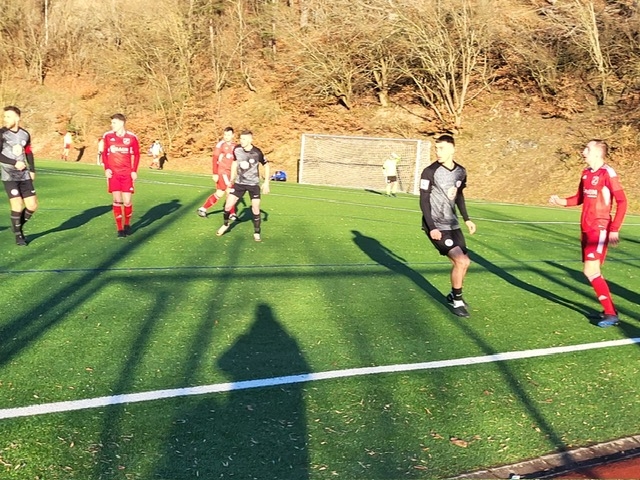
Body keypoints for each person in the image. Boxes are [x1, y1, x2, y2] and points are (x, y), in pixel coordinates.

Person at [549, 139, 627, 328]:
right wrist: (561, 201)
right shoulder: (586, 173)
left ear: (598, 153)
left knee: (590, 270)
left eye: (587, 149)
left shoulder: (607, 173)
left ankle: (611, 313)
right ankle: (609, 311)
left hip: (599, 228)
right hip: (585, 228)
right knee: (592, 271)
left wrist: (614, 228)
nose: (583, 152)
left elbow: (622, 201)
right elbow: (579, 198)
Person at [420, 134, 476, 317]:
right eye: (436, 148)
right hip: (436, 225)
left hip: (453, 224)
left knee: (464, 263)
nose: (437, 152)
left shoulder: (461, 171)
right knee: (461, 261)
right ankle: (457, 301)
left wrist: (467, 219)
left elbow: (459, 195)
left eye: (442, 148)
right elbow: (424, 201)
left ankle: (453, 294)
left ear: (452, 149)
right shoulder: (429, 171)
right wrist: (432, 227)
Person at [216, 130, 270, 242]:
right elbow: (235, 162)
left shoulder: (257, 152)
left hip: (253, 184)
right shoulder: (237, 149)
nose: (241, 141)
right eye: (240, 139)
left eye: (244, 139)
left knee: (255, 207)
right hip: (239, 183)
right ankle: (225, 224)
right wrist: (232, 178)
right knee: (227, 206)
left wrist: (266, 183)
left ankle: (257, 232)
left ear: (250, 140)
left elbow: (266, 165)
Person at [0, 106, 37, 246]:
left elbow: (28, 152)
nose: (5, 119)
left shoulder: (25, 134)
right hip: (9, 175)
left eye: (8, 116)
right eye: (4, 116)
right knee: (17, 203)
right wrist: (14, 163)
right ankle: (18, 235)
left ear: (17, 118)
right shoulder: (2, 133)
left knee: (32, 205)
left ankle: (16, 226)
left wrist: (32, 169)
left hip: (24, 174)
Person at [101, 113, 140, 238]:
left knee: (127, 201)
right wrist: (107, 168)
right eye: (111, 123)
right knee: (117, 200)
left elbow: (137, 154)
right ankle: (120, 229)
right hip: (114, 174)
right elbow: (104, 153)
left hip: (127, 174)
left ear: (122, 123)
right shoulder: (108, 136)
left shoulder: (132, 137)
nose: (111, 125)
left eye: (114, 123)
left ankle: (127, 223)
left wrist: (134, 170)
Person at [197, 127, 237, 219]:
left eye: (228, 135)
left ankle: (203, 209)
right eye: (225, 135)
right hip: (223, 172)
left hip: (230, 173)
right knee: (231, 191)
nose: (226, 137)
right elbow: (215, 159)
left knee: (220, 192)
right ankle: (232, 214)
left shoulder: (235, 146)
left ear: (233, 135)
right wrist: (215, 173)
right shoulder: (220, 145)